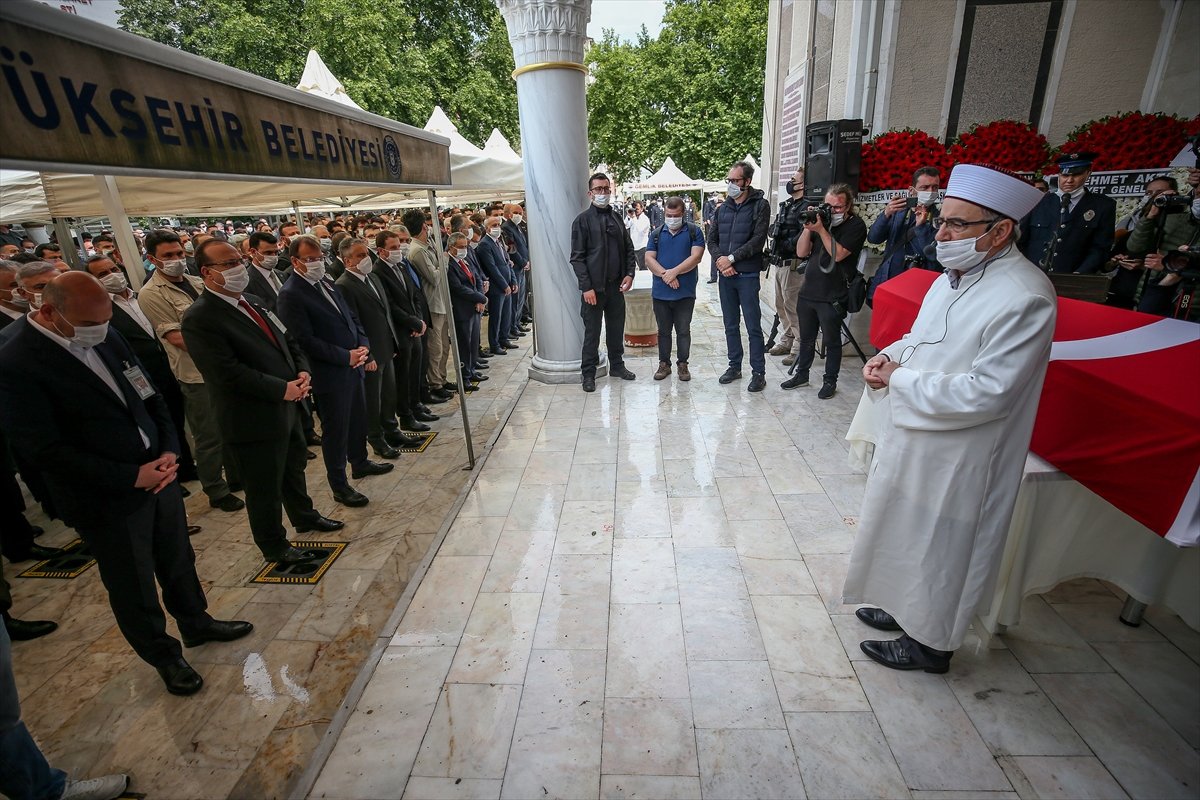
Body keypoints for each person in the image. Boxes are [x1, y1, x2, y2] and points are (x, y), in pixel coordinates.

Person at [0, 272, 253, 695]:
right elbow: (43, 450)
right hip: (105, 496)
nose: (98, 331)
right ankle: (164, 655)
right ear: (48, 311)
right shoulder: (16, 361)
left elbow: (149, 394)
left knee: (177, 559)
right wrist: (130, 476)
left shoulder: (107, 334)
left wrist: (170, 451)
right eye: (87, 325)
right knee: (132, 582)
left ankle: (196, 622)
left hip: (160, 474)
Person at [845, 163, 1054, 674]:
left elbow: (990, 393)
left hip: (965, 453)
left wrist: (900, 380)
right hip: (917, 433)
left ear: (1001, 231)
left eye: (958, 224)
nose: (941, 233)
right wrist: (885, 357)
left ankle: (932, 642)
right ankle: (901, 605)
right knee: (904, 528)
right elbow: (922, 339)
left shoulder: (1025, 296)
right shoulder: (951, 279)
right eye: (942, 219)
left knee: (944, 546)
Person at [182, 240, 343, 564]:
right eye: (227, 264)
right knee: (264, 486)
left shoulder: (254, 302)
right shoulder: (200, 318)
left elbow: (289, 341)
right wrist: (280, 388)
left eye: (238, 260)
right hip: (251, 417)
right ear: (206, 273)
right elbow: (226, 372)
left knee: (292, 469)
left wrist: (302, 371)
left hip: (288, 405)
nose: (238, 268)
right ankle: (273, 545)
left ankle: (304, 515)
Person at [277, 235, 392, 508]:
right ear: (295, 261)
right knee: (336, 430)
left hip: (354, 366)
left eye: (320, 258)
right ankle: (339, 485)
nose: (317, 263)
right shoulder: (291, 293)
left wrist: (362, 346)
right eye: (310, 260)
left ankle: (360, 461)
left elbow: (351, 318)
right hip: (331, 373)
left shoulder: (326, 282)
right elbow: (304, 340)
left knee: (358, 420)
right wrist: (345, 356)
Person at [136, 229, 244, 512]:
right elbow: (176, 338)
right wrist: (223, 348)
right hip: (196, 374)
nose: (176, 260)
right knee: (209, 435)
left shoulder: (197, 281)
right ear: (152, 259)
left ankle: (236, 477)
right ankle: (215, 489)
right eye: (168, 256)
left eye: (179, 253)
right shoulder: (151, 294)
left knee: (232, 424)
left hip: (224, 367)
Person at [84, 254, 199, 488]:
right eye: (102, 274)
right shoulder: (104, 310)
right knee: (157, 425)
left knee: (177, 419)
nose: (112, 275)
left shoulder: (142, 298)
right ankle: (167, 474)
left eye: (113, 268)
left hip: (170, 367)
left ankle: (185, 466)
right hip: (140, 376)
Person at [783, 185, 868, 399]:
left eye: (837, 207)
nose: (832, 211)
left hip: (833, 294)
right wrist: (807, 226)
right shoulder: (820, 222)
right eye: (828, 206)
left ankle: (830, 380)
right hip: (809, 290)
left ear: (848, 206)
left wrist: (821, 230)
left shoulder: (855, 226)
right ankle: (802, 374)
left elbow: (838, 255)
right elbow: (802, 252)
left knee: (831, 341)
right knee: (806, 339)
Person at [334, 237, 411, 458]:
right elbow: (352, 324)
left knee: (389, 395)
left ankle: (392, 430)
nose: (366, 259)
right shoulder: (344, 285)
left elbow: (385, 313)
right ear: (347, 260)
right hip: (371, 353)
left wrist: (393, 343)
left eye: (366, 254)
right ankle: (376, 439)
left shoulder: (373, 278)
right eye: (360, 255)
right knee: (373, 400)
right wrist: (367, 356)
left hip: (386, 347)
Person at [570, 173, 637, 393]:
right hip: (593, 290)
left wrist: (629, 274)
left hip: (616, 286)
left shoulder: (617, 217)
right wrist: (586, 287)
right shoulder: (582, 221)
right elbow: (577, 258)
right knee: (592, 333)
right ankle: (588, 373)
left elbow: (628, 248)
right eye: (598, 189)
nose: (602, 193)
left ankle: (617, 366)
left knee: (616, 329)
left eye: (606, 189)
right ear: (590, 193)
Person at [709, 160, 771, 392]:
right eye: (729, 180)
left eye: (735, 181)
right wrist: (721, 261)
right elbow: (712, 240)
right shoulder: (722, 208)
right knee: (730, 324)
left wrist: (732, 258)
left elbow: (757, 240)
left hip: (747, 274)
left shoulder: (760, 205)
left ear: (747, 181)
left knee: (753, 325)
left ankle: (758, 372)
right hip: (726, 275)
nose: (731, 185)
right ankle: (734, 366)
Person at [372, 229, 436, 436]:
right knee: (404, 375)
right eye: (393, 248)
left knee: (416, 370)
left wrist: (419, 320)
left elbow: (415, 294)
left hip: (415, 328)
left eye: (399, 246)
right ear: (381, 251)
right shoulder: (378, 272)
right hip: (401, 332)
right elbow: (390, 305)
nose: (398, 250)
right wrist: (412, 322)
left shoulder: (400, 266)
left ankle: (416, 406)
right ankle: (406, 415)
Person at [1019, 152, 1116, 273]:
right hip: (1034, 275)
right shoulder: (1038, 201)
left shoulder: (1102, 206)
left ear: (1087, 174)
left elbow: (1100, 248)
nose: (1069, 180)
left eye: (1076, 175)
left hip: (1073, 278)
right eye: (1065, 175)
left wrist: (1080, 274)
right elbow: (1021, 240)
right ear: (1059, 175)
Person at [1126, 167, 1200, 316]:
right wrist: (1151, 214)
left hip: (1190, 304)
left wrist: (1168, 265)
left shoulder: (1185, 213)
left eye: (1159, 193)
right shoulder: (1165, 215)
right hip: (1152, 295)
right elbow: (1135, 247)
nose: (1154, 197)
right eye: (1149, 193)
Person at [646, 197, 705, 381]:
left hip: (685, 293)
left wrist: (674, 272)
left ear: (683, 213)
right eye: (668, 215)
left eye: (676, 215)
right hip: (661, 294)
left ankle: (683, 364)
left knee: (683, 330)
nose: (672, 219)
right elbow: (649, 259)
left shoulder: (694, 232)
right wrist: (666, 275)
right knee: (663, 332)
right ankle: (664, 364)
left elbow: (696, 257)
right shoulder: (656, 234)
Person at [866, 166, 941, 304]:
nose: (931, 192)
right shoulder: (898, 212)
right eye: (925, 187)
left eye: (935, 187)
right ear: (912, 190)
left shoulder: (940, 219)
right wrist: (886, 214)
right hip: (889, 281)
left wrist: (921, 227)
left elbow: (934, 256)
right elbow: (873, 238)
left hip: (917, 289)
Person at [406, 211, 455, 396]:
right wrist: (444, 259)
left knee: (444, 344)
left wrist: (441, 262)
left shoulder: (428, 244)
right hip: (433, 304)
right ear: (423, 226)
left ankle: (442, 377)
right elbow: (434, 277)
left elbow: (440, 270)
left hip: (442, 300)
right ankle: (435, 383)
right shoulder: (417, 250)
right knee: (435, 348)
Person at [768, 170, 811, 363]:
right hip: (779, 262)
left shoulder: (807, 206)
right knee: (781, 305)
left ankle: (799, 346)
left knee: (793, 307)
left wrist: (788, 244)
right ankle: (787, 339)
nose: (790, 183)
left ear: (803, 184)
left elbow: (804, 233)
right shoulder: (787, 205)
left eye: (794, 180)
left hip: (794, 264)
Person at [445, 232, 489, 389]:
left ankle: (472, 370)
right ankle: (464, 377)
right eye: (461, 247)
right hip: (462, 310)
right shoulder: (449, 265)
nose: (464, 249)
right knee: (464, 345)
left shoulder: (464, 261)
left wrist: (480, 297)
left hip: (474, 308)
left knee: (473, 343)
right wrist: (480, 297)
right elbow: (458, 288)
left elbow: (476, 278)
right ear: (451, 247)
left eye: (466, 246)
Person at [477, 216, 519, 356]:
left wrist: (513, 281)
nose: (497, 227)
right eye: (494, 225)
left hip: (506, 283)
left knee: (506, 314)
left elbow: (507, 262)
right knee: (496, 316)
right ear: (487, 228)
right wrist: (503, 285)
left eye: (498, 224)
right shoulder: (485, 244)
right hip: (497, 287)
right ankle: (494, 344)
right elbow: (492, 268)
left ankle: (504, 338)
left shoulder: (498, 241)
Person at [502, 204, 531, 337]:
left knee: (521, 298)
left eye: (520, 212)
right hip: (516, 267)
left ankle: (518, 322)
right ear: (509, 214)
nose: (519, 215)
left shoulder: (517, 226)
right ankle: (513, 325)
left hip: (522, 266)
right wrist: (523, 261)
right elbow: (512, 249)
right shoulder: (507, 228)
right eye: (516, 212)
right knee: (516, 298)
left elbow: (523, 245)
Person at [246, 231, 286, 310]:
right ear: (253, 252)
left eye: (276, 252)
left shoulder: (282, 274)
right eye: (268, 252)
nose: (273, 256)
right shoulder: (247, 280)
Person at [626, 201, 651, 270]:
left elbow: (640, 229)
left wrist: (633, 218)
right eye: (634, 209)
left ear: (642, 208)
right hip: (634, 246)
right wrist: (628, 216)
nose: (635, 211)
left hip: (642, 247)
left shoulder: (645, 219)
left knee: (643, 268)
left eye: (637, 209)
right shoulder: (633, 218)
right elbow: (626, 225)